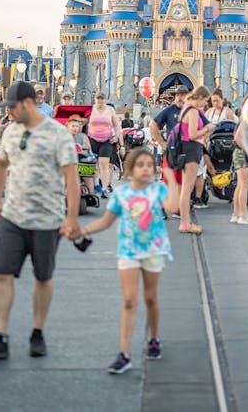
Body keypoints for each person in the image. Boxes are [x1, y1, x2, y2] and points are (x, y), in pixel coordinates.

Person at [0, 81, 79, 363]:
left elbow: (71, 178)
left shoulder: (58, 134)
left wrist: (71, 218)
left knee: (43, 277)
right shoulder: (11, 132)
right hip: (13, 218)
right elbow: (1, 165)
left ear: (28, 104)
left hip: (46, 219)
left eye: (13, 108)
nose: (10, 113)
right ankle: (0, 336)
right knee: (2, 274)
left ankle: (37, 332)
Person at [72, 147, 179, 373]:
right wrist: (83, 230)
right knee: (129, 301)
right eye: (140, 165)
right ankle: (124, 354)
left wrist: (171, 180)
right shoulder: (121, 194)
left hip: (153, 250)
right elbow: (106, 222)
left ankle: (154, 339)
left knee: (150, 298)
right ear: (130, 169)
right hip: (129, 251)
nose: (146, 169)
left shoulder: (158, 190)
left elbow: (172, 207)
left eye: (149, 165)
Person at [177, 85, 215, 235]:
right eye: (205, 100)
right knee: (187, 189)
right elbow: (192, 134)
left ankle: (185, 222)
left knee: (186, 189)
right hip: (191, 149)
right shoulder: (192, 111)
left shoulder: (186, 107)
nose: (205, 104)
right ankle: (185, 224)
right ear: (200, 97)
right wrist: (207, 129)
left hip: (187, 149)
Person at [149, 85, 189, 201]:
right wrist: (162, 143)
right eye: (178, 95)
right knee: (168, 179)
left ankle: (178, 206)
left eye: (183, 95)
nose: (180, 97)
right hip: (172, 150)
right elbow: (153, 124)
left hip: (187, 150)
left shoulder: (191, 110)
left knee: (183, 181)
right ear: (175, 97)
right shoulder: (169, 111)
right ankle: (161, 205)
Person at [87, 92, 122, 197]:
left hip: (106, 140)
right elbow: (83, 122)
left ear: (105, 100)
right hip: (92, 139)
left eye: (102, 99)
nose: (100, 101)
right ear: (95, 99)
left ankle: (104, 188)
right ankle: (92, 186)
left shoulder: (110, 110)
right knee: (91, 164)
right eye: (98, 99)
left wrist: (116, 136)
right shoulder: (90, 109)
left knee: (104, 165)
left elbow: (116, 125)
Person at [230, 115, 248, 225]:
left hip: (240, 153)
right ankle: (243, 215)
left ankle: (237, 213)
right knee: (244, 184)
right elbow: (237, 137)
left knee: (240, 184)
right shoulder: (247, 119)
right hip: (242, 153)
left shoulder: (246, 118)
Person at [66, 115, 95, 197]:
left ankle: (91, 194)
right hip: (68, 162)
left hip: (81, 161)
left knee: (88, 174)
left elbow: (89, 151)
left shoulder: (83, 137)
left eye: (77, 126)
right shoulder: (63, 137)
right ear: (68, 127)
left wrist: (88, 154)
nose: (75, 128)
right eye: (73, 126)